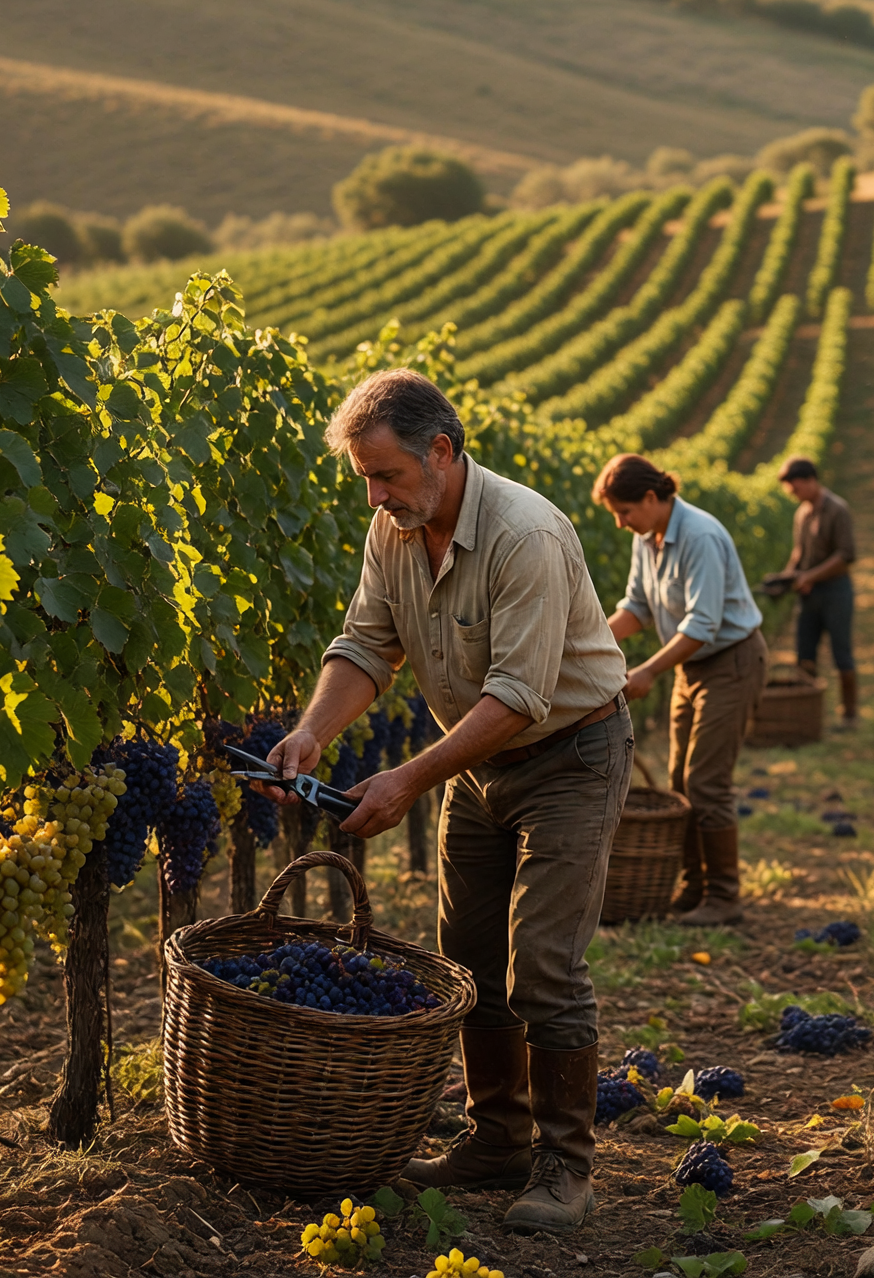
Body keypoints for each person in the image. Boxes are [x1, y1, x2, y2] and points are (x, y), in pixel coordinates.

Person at [259, 370, 631, 1233]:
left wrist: (405, 779)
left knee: (542, 959)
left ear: (442, 450)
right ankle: (495, 1138)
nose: (376, 495)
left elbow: (519, 696)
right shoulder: (396, 529)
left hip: (570, 754)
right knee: (465, 957)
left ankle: (565, 1164)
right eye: (365, 479)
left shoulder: (524, 534)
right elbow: (365, 645)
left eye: (386, 474)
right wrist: (313, 731)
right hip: (478, 762)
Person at [599, 453, 767, 927]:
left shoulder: (700, 537)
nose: (620, 522)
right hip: (690, 668)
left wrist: (649, 670)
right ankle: (694, 887)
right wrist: (589, 643)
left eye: (625, 511)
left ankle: (725, 895)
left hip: (731, 663)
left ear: (651, 498)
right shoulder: (648, 538)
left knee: (706, 780)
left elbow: (703, 624)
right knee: (680, 781)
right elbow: (637, 607)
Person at [775, 455, 860, 723]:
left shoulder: (837, 510)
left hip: (836, 592)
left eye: (796, 488)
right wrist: (786, 578)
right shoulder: (802, 513)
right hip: (809, 594)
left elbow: (846, 555)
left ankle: (849, 714)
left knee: (841, 654)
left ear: (811, 481)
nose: (793, 494)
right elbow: (799, 552)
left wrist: (809, 576)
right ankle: (807, 714)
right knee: (805, 654)